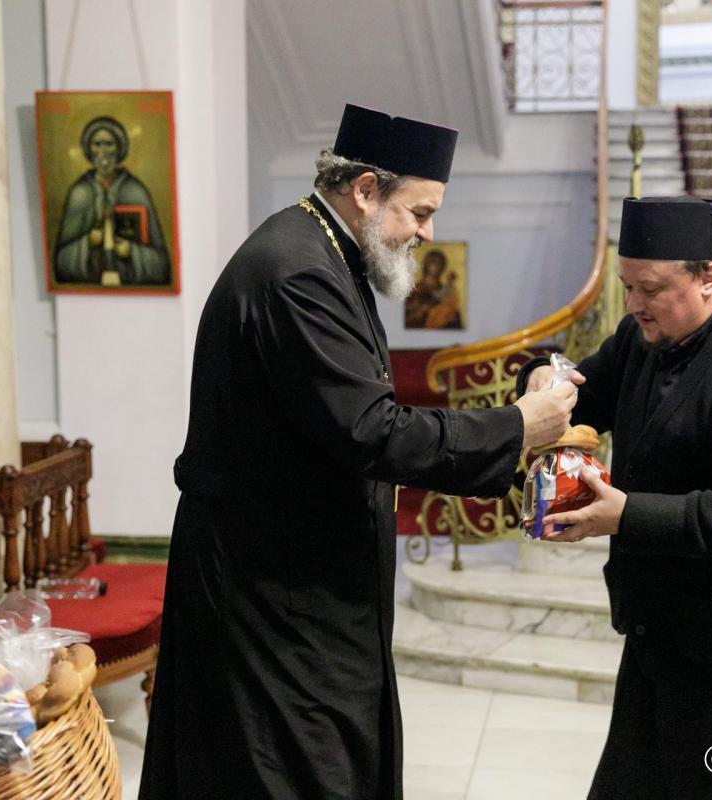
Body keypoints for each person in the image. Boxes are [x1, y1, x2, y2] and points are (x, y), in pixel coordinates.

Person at [139, 104, 579, 799]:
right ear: (367, 190)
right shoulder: (297, 272)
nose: (428, 233)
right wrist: (517, 426)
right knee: (289, 771)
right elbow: (372, 430)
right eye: (419, 211)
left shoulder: (326, 254)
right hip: (270, 591)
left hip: (299, 576)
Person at [518, 196, 712, 799]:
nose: (632, 305)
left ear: (709, 277)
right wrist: (543, 373)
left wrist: (627, 515)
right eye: (627, 286)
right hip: (658, 635)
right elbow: (584, 390)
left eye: (650, 289)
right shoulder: (642, 336)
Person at [53, 116, 171, 286]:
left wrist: (132, 252)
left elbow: (161, 265)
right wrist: (87, 243)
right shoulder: (79, 194)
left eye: (109, 144)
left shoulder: (135, 191)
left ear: (119, 148)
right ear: (88, 149)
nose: (103, 152)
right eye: (97, 144)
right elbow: (60, 263)